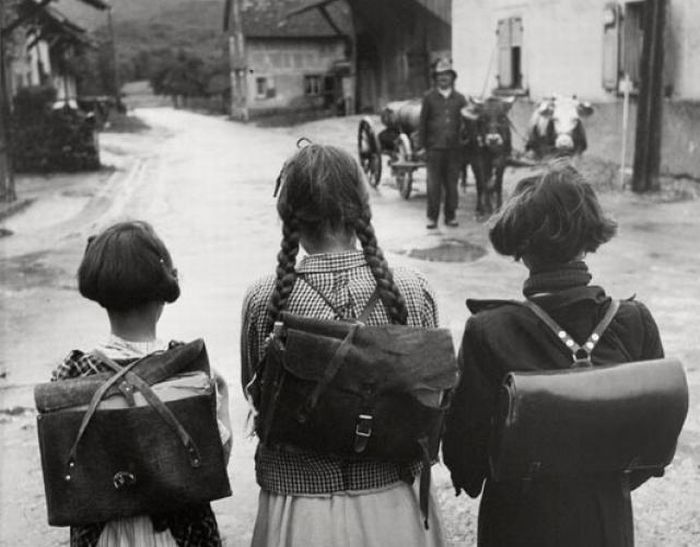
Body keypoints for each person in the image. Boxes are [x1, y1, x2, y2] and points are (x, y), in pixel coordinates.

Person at [441, 163, 664, 547]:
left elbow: (464, 455)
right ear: (588, 239)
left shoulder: (489, 330)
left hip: (516, 522)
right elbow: (653, 441)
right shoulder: (634, 321)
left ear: (520, 248)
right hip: (604, 519)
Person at [241, 143, 445, 547]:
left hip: (299, 506)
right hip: (393, 499)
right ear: (359, 207)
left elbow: (257, 392)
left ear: (290, 213)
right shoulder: (411, 289)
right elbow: (434, 394)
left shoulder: (265, 298)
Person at [51, 220, 231, 547]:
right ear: (162, 295)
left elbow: (68, 471)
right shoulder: (188, 368)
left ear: (100, 295)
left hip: (102, 535)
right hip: (180, 533)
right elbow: (212, 465)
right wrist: (225, 398)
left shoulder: (73, 371)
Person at [417, 59, 467, 229]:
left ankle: (450, 216)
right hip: (434, 149)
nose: (443, 78)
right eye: (440, 75)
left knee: (452, 185)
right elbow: (422, 123)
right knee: (433, 185)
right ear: (435, 78)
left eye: (446, 75)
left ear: (452, 78)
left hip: (454, 149)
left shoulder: (460, 99)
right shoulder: (429, 98)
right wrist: (421, 147)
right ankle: (432, 218)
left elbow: (467, 123)